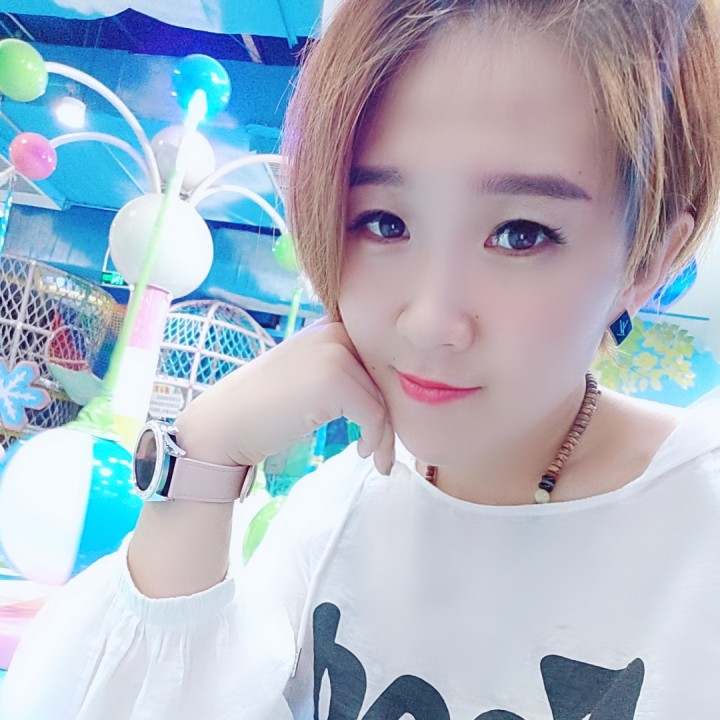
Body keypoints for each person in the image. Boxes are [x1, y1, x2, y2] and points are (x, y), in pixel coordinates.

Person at [3, 0, 720, 717]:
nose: (430, 320)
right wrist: (202, 459)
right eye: (384, 221)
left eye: (521, 234)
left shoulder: (698, 535)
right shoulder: (340, 508)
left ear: (647, 260)